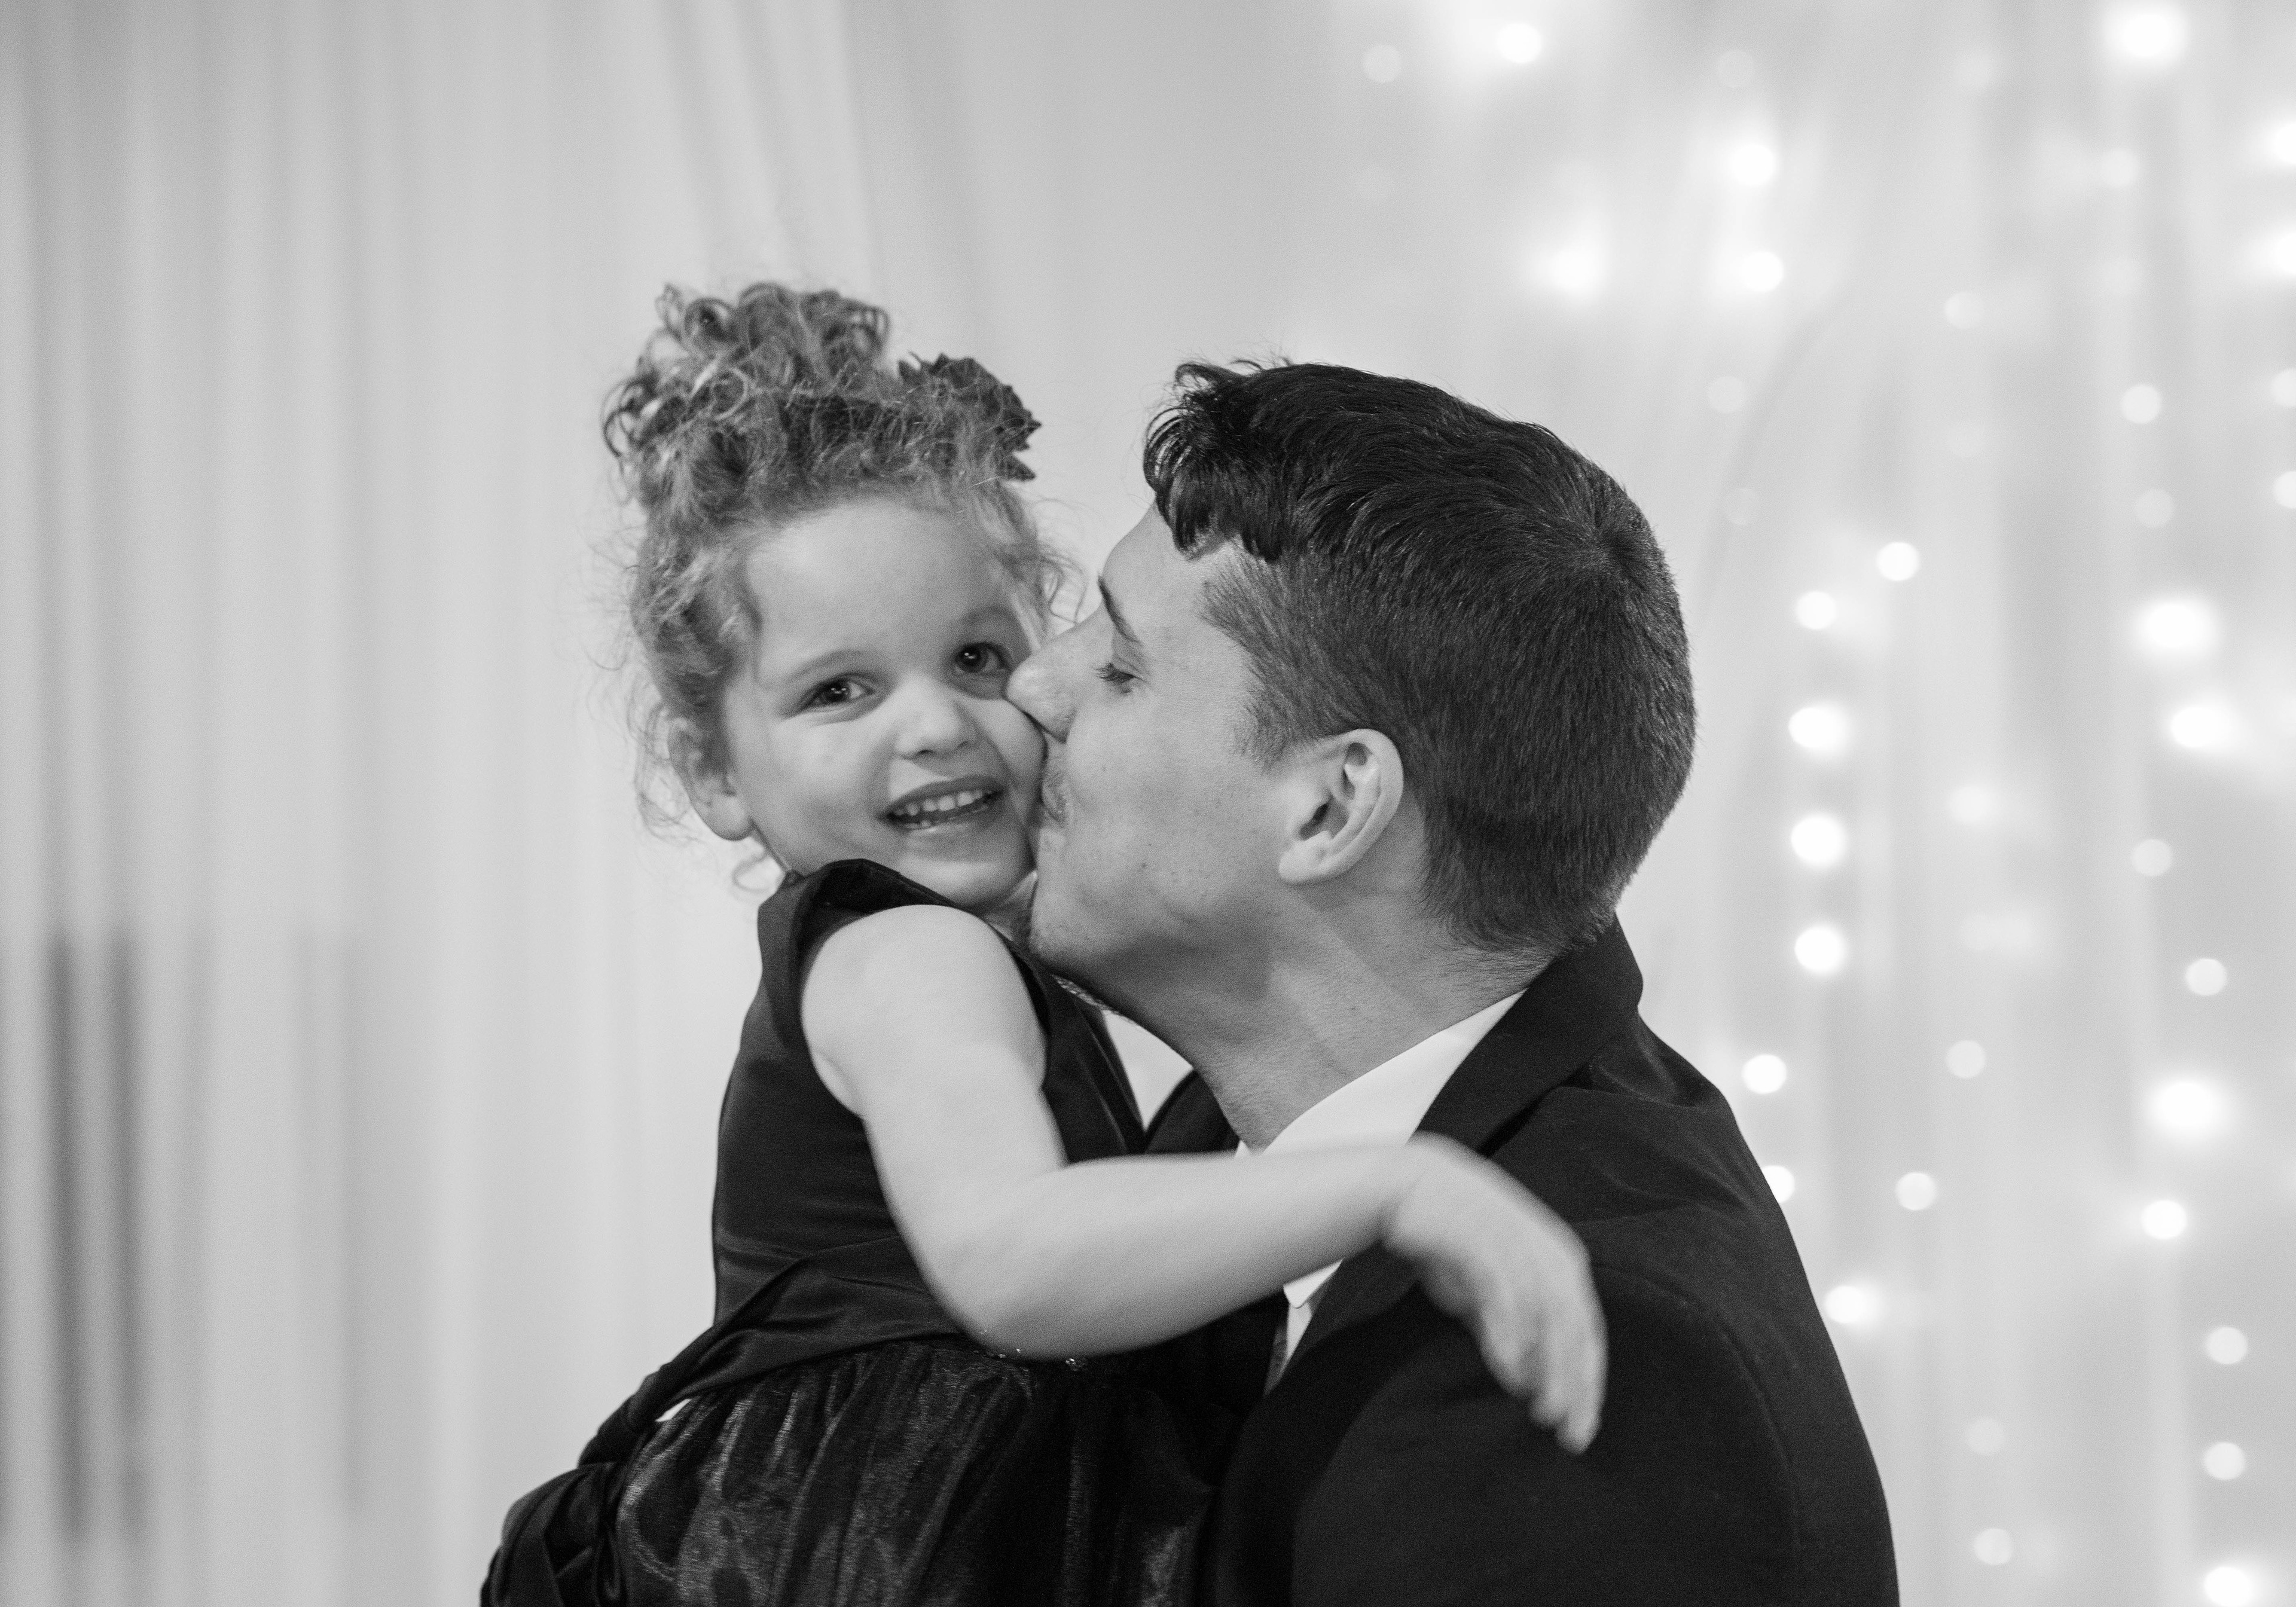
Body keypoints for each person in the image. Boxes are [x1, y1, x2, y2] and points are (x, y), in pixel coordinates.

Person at [483, 286, 1605, 1607]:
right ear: (714, 771)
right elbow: (1012, 1257)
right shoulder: (912, 956)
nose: (935, 725)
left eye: (975, 657)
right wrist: (1400, 1188)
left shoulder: (953, 953)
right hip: (878, 1551)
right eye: (840, 690)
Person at [1007, 359, 1900, 1605]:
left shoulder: (1576, 1373)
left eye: (1121, 667)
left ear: (1332, 808)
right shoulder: (1226, 1136)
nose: (1032, 685)